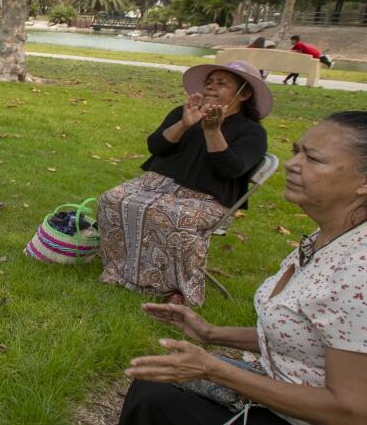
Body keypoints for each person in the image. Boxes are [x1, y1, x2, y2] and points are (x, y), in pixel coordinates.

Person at [56, 104, 367, 425]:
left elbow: (357, 415)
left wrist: (216, 370)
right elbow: (312, 338)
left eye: (315, 159)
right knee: (160, 385)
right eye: (298, 150)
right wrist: (212, 334)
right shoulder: (344, 233)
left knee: (167, 398)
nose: (295, 164)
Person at [98, 60, 271, 306]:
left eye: (222, 84)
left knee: (173, 216)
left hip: (208, 197)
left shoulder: (252, 132)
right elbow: (155, 146)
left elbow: (229, 169)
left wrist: (213, 131)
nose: (212, 87)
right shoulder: (184, 111)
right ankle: (120, 271)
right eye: (209, 82)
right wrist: (184, 124)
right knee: (112, 199)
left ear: (243, 93)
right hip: (156, 183)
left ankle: (177, 289)